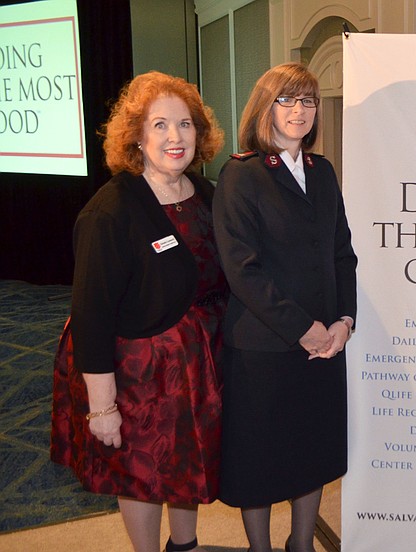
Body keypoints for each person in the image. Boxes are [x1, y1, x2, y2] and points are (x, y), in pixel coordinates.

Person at [50, 71, 227, 552]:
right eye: (160, 125)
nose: (175, 137)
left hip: (195, 364)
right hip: (139, 375)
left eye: (186, 124)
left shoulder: (208, 195)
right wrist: (102, 407)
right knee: (142, 472)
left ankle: (184, 546)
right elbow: (91, 312)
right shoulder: (110, 212)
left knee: (187, 462)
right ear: (137, 137)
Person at [213, 62, 357, 552]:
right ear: (265, 107)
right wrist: (304, 330)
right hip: (264, 349)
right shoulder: (241, 174)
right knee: (260, 463)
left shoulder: (323, 172)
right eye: (288, 100)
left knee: (311, 454)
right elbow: (242, 271)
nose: (299, 111)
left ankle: (301, 543)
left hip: (324, 344)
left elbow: (343, 254)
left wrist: (344, 322)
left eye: (308, 101)